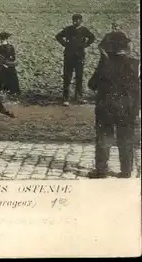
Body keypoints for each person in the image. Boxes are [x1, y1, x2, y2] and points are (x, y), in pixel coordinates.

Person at [87, 46, 140, 179]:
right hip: (128, 109)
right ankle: (126, 171)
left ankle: (102, 170)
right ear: (127, 49)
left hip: (106, 108)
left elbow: (91, 85)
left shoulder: (105, 63)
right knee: (126, 140)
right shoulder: (136, 64)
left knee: (104, 139)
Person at [55, 14, 96, 106]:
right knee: (67, 76)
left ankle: (79, 97)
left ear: (81, 21)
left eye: (77, 20)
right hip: (69, 55)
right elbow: (58, 36)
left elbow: (92, 37)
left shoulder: (84, 30)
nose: (75, 22)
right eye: (74, 20)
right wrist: (65, 44)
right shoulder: (68, 29)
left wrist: (85, 45)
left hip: (79, 56)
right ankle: (66, 98)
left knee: (79, 76)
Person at [0, 32, 21, 96]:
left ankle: (6, 93)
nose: (1, 40)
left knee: (4, 79)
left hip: (5, 65)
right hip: (10, 65)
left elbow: (0, 58)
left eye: (1, 39)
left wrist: (4, 64)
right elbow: (12, 57)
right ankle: (13, 93)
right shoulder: (10, 47)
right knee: (12, 79)